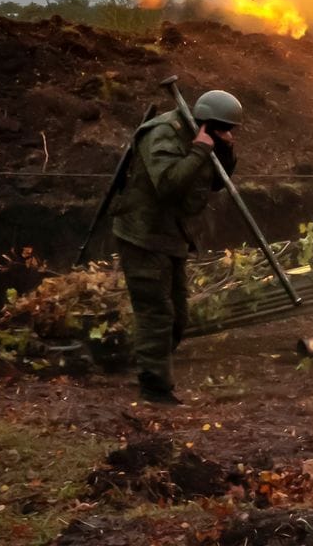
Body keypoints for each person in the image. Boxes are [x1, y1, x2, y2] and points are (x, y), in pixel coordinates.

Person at [111, 89, 241, 405]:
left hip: (172, 235)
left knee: (178, 316)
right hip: (142, 235)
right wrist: (199, 151)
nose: (226, 133)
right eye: (221, 128)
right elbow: (168, 184)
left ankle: (150, 366)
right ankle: (155, 390)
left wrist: (223, 152)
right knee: (157, 313)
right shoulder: (163, 133)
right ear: (205, 122)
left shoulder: (201, 135)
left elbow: (213, 182)